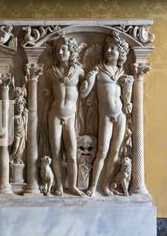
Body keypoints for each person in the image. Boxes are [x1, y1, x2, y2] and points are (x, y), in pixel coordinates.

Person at [80, 32, 131, 196]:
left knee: (115, 152)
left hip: (120, 115)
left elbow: (126, 95)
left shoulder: (122, 73)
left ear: (121, 53)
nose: (109, 51)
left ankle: (106, 185)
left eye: (113, 49)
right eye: (107, 49)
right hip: (106, 116)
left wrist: (128, 103)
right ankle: (93, 186)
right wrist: (87, 81)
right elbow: (84, 94)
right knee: (102, 151)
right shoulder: (98, 70)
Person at [42, 34, 85, 196]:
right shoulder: (51, 72)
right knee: (56, 153)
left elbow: (85, 93)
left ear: (71, 51)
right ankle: (59, 185)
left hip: (71, 116)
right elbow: (46, 90)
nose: (61, 52)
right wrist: (45, 92)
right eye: (58, 49)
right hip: (55, 114)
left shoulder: (79, 72)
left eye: (65, 49)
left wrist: (89, 82)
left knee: (72, 154)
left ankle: (72, 186)